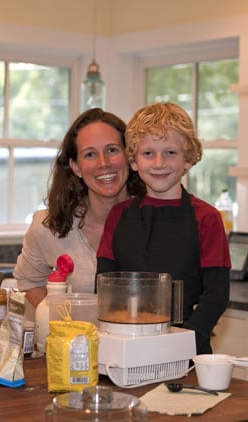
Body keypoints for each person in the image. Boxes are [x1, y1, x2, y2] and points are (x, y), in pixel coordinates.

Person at [96, 102, 231, 354]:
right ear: (134, 161)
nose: (159, 163)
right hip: (127, 344)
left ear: (189, 159)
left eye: (170, 152)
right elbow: (105, 289)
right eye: (148, 154)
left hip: (188, 350)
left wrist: (180, 343)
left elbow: (216, 296)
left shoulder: (207, 218)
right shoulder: (119, 216)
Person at [14, 108, 144, 307]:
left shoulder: (156, 220)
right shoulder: (48, 227)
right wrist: (62, 325)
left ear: (129, 156)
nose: (103, 163)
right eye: (90, 154)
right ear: (76, 167)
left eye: (112, 150)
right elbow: (29, 280)